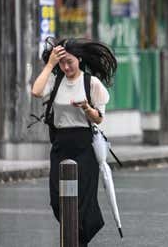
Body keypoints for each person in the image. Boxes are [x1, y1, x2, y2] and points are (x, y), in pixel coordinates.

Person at [31, 37, 117, 247]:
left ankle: (76, 241)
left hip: (84, 146)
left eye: (70, 61)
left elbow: (99, 118)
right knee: (57, 200)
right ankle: (76, 236)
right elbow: (36, 91)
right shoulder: (55, 80)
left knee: (82, 201)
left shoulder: (91, 83)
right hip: (60, 144)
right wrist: (50, 64)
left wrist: (87, 108)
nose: (66, 66)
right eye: (62, 62)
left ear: (79, 59)